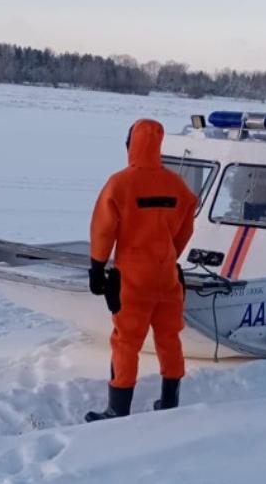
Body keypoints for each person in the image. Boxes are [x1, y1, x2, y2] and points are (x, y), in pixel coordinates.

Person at [84, 119, 198, 422]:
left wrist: (97, 267)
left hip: (133, 276)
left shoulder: (120, 183)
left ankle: (117, 409)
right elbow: (187, 226)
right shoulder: (177, 185)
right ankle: (170, 402)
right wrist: (169, 252)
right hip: (167, 274)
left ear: (130, 145)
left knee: (126, 341)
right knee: (169, 337)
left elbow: (103, 228)